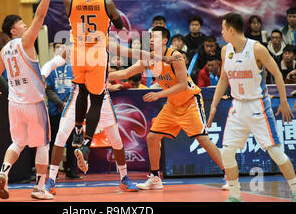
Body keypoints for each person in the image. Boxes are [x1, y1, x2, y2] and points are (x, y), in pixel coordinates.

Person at [109, 26, 228, 191]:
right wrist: (108, 75)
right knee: (152, 138)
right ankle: (156, 178)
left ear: (165, 40)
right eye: (149, 38)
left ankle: (229, 175)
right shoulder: (150, 58)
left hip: (189, 102)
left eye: (154, 38)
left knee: (203, 139)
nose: (150, 40)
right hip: (172, 104)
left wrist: (158, 95)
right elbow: (127, 72)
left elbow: (182, 86)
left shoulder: (175, 56)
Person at [208, 12, 296, 202]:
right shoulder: (225, 51)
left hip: (258, 106)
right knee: (227, 152)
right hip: (237, 107)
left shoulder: (257, 49)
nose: (221, 33)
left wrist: (282, 100)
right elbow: (224, 79)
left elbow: (278, 75)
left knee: (275, 152)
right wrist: (214, 105)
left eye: (223, 29)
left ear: (231, 30)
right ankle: (235, 195)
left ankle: (295, 189)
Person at [55, 0, 125, 173]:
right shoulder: (106, 3)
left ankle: (77, 130)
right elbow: (120, 25)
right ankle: (85, 142)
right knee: (96, 99)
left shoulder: (71, 0)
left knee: (81, 90)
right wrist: (116, 23)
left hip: (79, 53)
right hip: (98, 55)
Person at [0, 0, 55, 200]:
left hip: (14, 104)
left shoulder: (4, 51)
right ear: (14, 31)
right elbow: (41, 14)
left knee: (17, 142)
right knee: (42, 144)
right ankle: (39, 188)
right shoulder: (25, 42)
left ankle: (3, 171)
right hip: (34, 104)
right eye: (21, 24)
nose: (26, 25)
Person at [45, 69, 139, 194]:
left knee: (116, 140)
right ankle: (51, 180)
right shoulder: (78, 50)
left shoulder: (103, 52)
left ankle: (124, 178)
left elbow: (124, 71)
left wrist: (152, 58)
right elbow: (59, 59)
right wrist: (44, 72)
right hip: (78, 97)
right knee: (61, 135)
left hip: (102, 99)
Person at [43, 42, 80, 180]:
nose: (60, 49)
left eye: (62, 46)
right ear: (53, 50)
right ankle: (54, 170)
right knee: (54, 142)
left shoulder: (73, 67)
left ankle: (71, 169)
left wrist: (70, 104)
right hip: (56, 110)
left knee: (72, 141)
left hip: (72, 110)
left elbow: (77, 87)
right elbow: (48, 89)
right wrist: (60, 103)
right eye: (57, 46)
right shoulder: (50, 68)